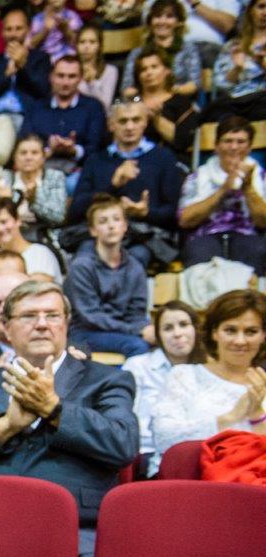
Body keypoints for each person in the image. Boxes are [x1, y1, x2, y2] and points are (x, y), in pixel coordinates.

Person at [0, 279, 139, 557]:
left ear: (66, 323)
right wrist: (6, 426)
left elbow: (122, 444)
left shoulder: (107, 380)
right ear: (6, 327)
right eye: (30, 316)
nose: (43, 325)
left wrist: (54, 409)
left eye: (53, 315)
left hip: (74, 526)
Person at [151, 289, 266, 468]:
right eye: (230, 330)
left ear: (263, 336)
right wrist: (231, 417)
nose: (240, 341)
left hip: (250, 486)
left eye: (251, 332)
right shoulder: (184, 376)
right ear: (214, 333)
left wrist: (257, 415)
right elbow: (163, 438)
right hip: (189, 483)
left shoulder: (263, 386)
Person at [68, 100, 183, 267]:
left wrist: (145, 213)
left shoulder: (164, 158)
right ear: (111, 125)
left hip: (145, 237)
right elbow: (75, 211)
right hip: (99, 236)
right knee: (82, 261)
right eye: (123, 121)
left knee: (130, 262)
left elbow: (173, 214)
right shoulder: (96, 160)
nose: (129, 127)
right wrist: (112, 185)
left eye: (136, 120)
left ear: (145, 122)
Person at [123, 301, 204, 476]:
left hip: (200, 454)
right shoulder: (138, 366)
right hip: (148, 453)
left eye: (184, 325)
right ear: (158, 336)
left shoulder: (209, 370)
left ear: (196, 329)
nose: (177, 333)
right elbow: (125, 420)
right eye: (168, 328)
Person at [178, 115, 266, 274]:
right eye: (228, 141)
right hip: (206, 236)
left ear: (250, 147)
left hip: (248, 236)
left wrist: (248, 188)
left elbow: (263, 222)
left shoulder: (262, 177)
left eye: (241, 142)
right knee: (197, 256)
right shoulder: (197, 177)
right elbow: (185, 220)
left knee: (257, 253)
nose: (234, 147)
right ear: (216, 146)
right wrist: (223, 190)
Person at [66, 196, 151, 357]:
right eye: (103, 221)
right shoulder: (81, 266)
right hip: (85, 332)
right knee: (138, 346)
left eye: (116, 219)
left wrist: (148, 330)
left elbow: (136, 314)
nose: (111, 226)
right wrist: (136, 330)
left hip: (122, 331)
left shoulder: (135, 267)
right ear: (93, 230)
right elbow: (91, 316)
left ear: (125, 226)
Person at [24, 56, 107, 173]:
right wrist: (49, 150)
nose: (65, 82)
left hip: (79, 171)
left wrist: (73, 150)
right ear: (51, 77)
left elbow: (97, 148)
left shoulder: (93, 107)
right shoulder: (35, 108)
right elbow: (25, 142)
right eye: (60, 76)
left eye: (72, 76)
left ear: (80, 78)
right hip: (41, 170)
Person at [0, 198, 64, 288]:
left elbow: (37, 291)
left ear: (17, 220)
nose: (0, 229)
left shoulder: (41, 254)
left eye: (4, 222)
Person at [0, 8, 52, 116]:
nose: (13, 34)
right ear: (2, 32)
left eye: (18, 29)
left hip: (27, 117)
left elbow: (43, 91)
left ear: (28, 29)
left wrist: (22, 66)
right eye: (8, 29)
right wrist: (6, 75)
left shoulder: (41, 59)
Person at [0, 134, 68, 243]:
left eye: (34, 153)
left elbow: (59, 217)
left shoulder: (55, 177)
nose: (28, 157)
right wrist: (6, 201)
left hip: (44, 240)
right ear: (14, 157)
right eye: (23, 153)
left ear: (43, 158)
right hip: (9, 239)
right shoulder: (5, 178)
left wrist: (34, 200)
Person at [213, 0, 266, 99]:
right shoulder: (233, 45)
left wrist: (262, 65)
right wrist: (237, 69)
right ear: (251, 11)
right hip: (235, 100)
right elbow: (220, 84)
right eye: (261, 7)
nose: (265, 12)